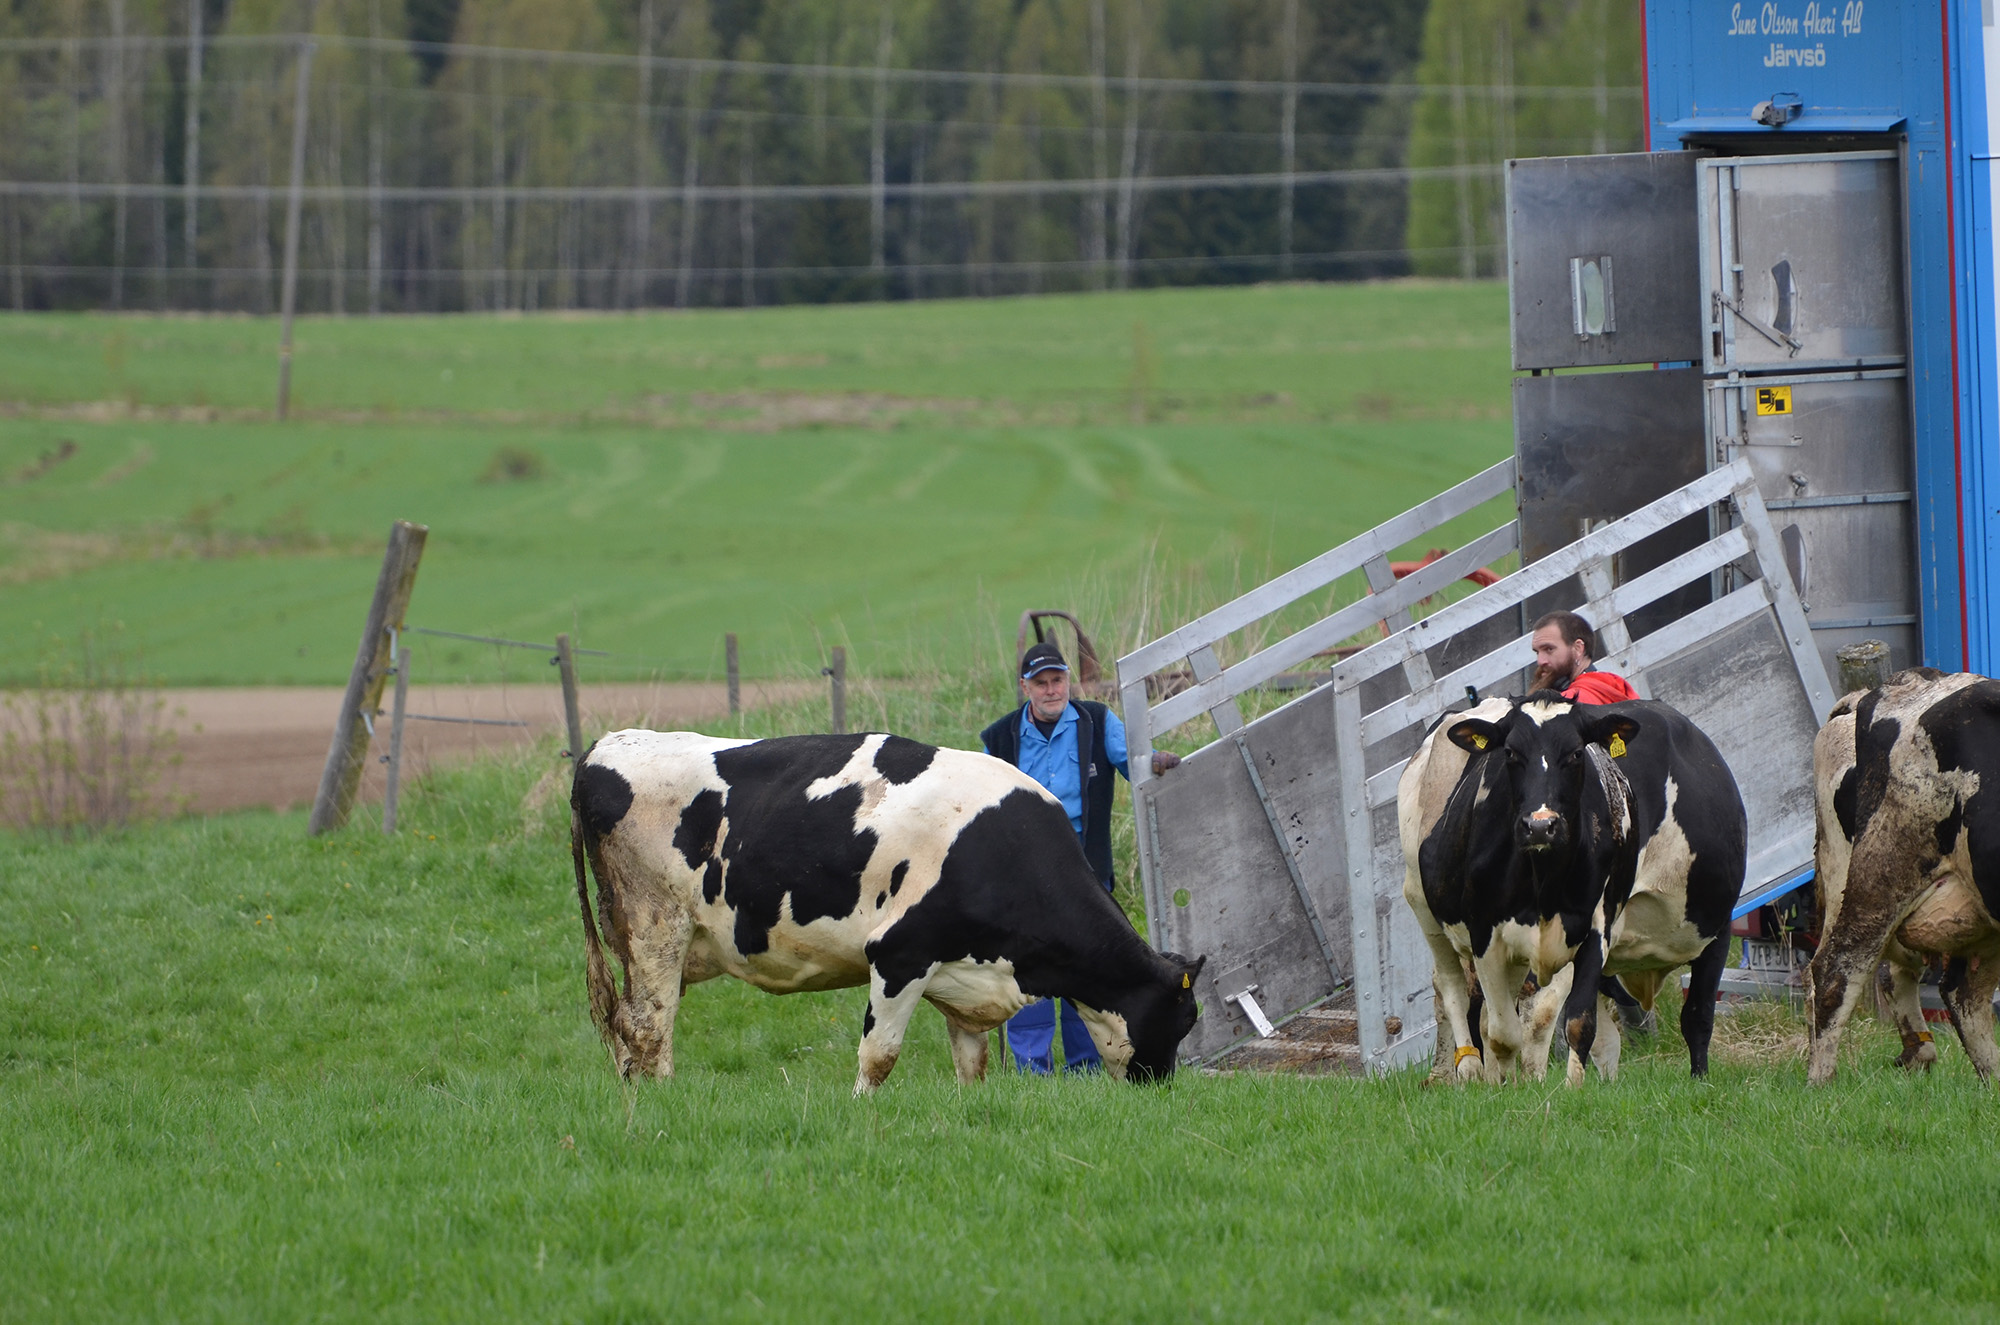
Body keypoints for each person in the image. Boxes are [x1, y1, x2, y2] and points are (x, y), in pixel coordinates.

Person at [979, 640, 1180, 1074]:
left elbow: (1134, 761)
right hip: (1022, 885)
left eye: (1058, 680)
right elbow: (972, 802)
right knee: (1026, 980)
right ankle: (1032, 1074)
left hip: (1086, 879)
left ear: (1069, 680)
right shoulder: (998, 739)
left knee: (1085, 976)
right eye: (1041, 683)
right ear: (1025, 687)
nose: (1052, 690)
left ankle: (1084, 1071)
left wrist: (1156, 761)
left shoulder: (1097, 722)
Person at [1528, 610, 1638, 704]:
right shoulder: (1612, 685)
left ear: (1578, 648)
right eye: (1537, 652)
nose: (1540, 661)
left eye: (1549, 649)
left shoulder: (1569, 704)